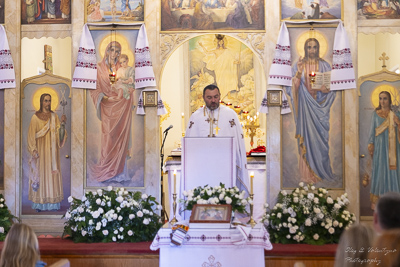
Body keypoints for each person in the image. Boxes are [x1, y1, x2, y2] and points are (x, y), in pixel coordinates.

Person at [285, 37, 336, 184]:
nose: (312, 50)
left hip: (320, 110)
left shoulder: (325, 66)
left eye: (314, 47)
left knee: (321, 142)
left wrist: (325, 90)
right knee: (306, 140)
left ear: (318, 48)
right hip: (305, 110)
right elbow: (291, 88)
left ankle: (322, 172)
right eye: (309, 47)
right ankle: (307, 176)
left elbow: (333, 88)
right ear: (305, 49)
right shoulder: (298, 65)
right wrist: (299, 72)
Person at [185, 84, 249, 193]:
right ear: (203, 97)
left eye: (216, 97)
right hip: (202, 167)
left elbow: (238, 142)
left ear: (219, 96)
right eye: (209, 98)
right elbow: (190, 145)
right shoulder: (196, 117)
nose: (213, 100)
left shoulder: (230, 115)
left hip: (225, 166)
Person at [89, 41, 135, 183]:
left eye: (117, 51)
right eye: (112, 50)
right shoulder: (98, 69)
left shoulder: (121, 67)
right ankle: (106, 170)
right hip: (107, 107)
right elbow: (94, 89)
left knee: (121, 137)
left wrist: (127, 92)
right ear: (107, 51)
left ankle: (120, 174)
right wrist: (105, 97)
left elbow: (131, 85)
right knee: (109, 137)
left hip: (122, 107)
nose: (115, 54)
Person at [27, 93, 66, 212]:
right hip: (40, 151)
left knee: (51, 176)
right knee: (40, 175)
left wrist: (63, 124)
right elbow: (31, 135)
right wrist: (33, 150)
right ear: (41, 102)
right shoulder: (35, 117)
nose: (48, 103)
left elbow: (60, 135)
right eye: (45, 101)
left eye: (49, 101)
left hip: (52, 152)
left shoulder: (54, 117)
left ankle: (52, 204)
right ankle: (39, 204)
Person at [368, 91, 400, 209]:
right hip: (380, 149)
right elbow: (372, 130)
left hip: (394, 149)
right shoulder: (375, 114)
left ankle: (394, 200)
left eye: (385, 99)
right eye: (380, 98)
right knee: (380, 171)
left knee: (393, 172)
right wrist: (371, 143)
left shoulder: (395, 113)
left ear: (390, 100)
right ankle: (379, 202)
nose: (382, 101)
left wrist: (398, 122)